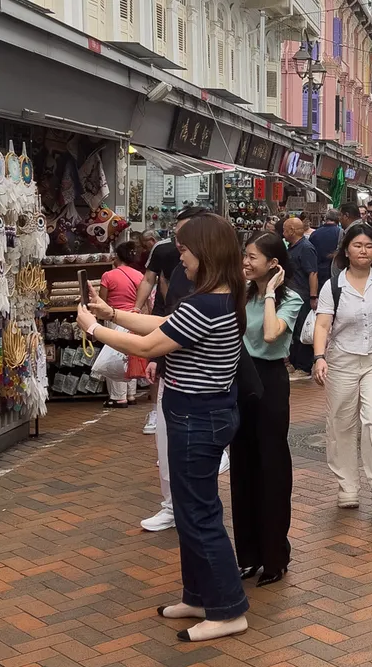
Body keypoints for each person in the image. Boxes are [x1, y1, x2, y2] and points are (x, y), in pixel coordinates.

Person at [79, 213, 250, 643]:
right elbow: (162, 326)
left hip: (197, 416)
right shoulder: (217, 298)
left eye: (186, 250)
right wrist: (113, 313)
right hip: (200, 413)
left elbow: (148, 346)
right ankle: (198, 594)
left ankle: (229, 609)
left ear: (204, 253)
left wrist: (96, 327)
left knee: (199, 514)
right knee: (193, 511)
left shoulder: (206, 302)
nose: (182, 259)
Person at [312, 223, 372, 521]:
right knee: (341, 422)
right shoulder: (333, 286)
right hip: (342, 361)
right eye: (357, 246)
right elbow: (322, 325)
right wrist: (319, 357)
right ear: (346, 250)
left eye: (368, 246)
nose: (363, 251)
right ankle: (347, 485)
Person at [229, 233, 303, 588]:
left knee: (271, 465)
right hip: (239, 379)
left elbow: (272, 334)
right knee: (242, 465)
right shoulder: (239, 293)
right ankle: (247, 556)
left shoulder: (290, 298)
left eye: (253, 257)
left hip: (271, 382)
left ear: (274, 264)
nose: (246, 262)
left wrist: (271, 291)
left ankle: (275, 555)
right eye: (245, 255)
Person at [135, 206, 206, 436]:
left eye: (184, 235)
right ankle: (157, 412)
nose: (179, 243)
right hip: (167, 316)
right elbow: (149, 280)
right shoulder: (166, 254)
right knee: (158, 366)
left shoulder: (217, 265)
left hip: (190, 326)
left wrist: (98, 326)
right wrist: (136, 308)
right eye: (176, 235)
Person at [98, 242, 146, 407]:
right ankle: (131, 394)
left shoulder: (108, 276)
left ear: (117, 257)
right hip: (134, 319)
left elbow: (102, 301)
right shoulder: (139, 275)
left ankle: (119, 397)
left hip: (115, 318)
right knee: (131, 356)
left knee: (115, 357)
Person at [282, 216, 318, 376]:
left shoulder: (306, 248)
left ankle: (304, 367)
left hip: (302, 295)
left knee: (303, 330)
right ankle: (294, 363)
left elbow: (313, 273)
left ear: (292, 230)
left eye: (284, 229)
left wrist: (313, 296)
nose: (283, 233)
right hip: (292, 294)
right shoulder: (292, 247)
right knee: (294, 330)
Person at [309, 208, 343, 289]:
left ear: (325, 218)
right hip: (335, 272)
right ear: (338, 219)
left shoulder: (315, 233)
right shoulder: (340, 232)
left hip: (318, 272)